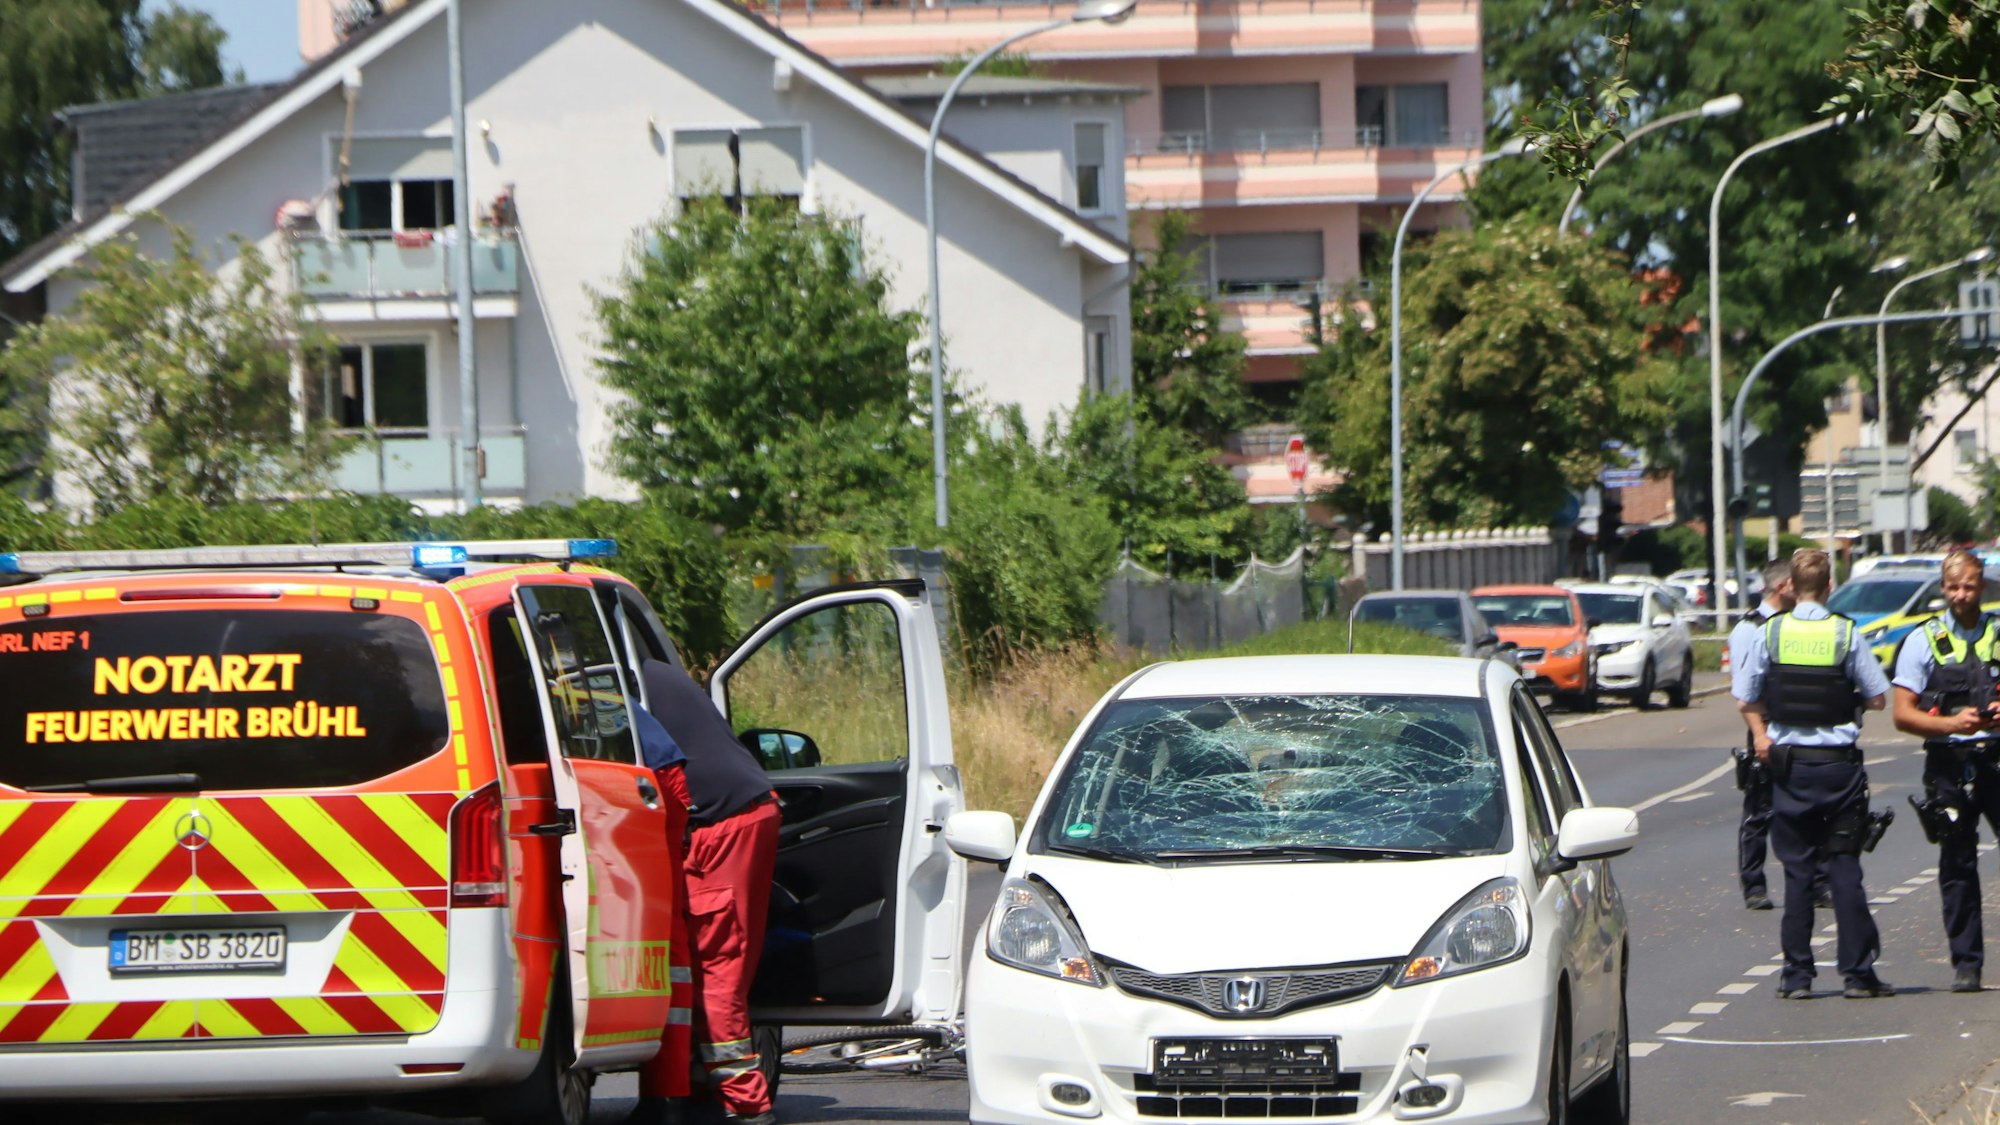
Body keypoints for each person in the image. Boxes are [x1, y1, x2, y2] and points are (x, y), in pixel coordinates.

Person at [1734, 548, 1893, 1000]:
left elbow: (1746, 696)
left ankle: (1797, 976)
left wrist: (1762, 736)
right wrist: (1848, 699)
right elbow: (1879, 697)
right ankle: (1858, 974)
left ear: (1791, 586)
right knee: (1843, 867)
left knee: (1798, 872)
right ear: (1828, 588)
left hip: (1790, 768)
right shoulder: (1845, 633)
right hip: (1838, 768)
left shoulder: (1772, 632)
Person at [630, 657, 783, 1125]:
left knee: (713, 964)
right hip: (753, 809)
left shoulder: (604, 680)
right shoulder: (649, 666)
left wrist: (668, 848)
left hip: (717, 825)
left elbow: (669, 773)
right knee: (723, 960)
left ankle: (746, 1103)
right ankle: (693, 1085)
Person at [1891, 550, 2000, 993]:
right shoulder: (1922, 640)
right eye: (1952, 587)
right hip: (1948, 765)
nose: (1960, 595)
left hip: (1995, 757)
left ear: (1982, 587)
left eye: (1968, 586)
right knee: (1957, 865)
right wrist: (1951, 724)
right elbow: (1902, 715)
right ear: (1942, 588)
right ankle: (1966, 964)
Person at [1727, 560, 1831, 912]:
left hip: (1798, 729)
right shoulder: (1750, 628)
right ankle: (1754, 885)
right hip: (1767, 731)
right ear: (1785, 585)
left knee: (1810, 810)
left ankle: (1817, 884)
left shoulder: (1794, 625)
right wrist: (1760, 735)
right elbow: (1744, 692)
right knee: (1759, 811)